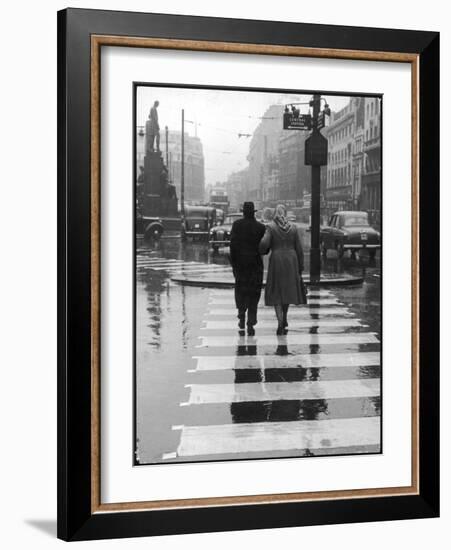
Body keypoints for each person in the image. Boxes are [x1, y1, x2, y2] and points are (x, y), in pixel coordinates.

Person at [259, 204, 307, 335]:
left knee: (277, 291)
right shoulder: (293, 228)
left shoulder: (271, 227)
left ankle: (280, 321)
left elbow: (264, 244)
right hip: (292, 260)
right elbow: (299, 249)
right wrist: (300, 267)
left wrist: (261, 250)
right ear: (285, 214)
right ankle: (285, 317)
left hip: (277, 260)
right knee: (287, 290)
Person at [229, 202, 266, 336]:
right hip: (255, 264)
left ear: (243, 212)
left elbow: (232, 246)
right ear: (254, 212)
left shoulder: (237, 225)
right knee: (254, 292)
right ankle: (251, 319)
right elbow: (265, 248)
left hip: (240, 264)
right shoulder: (261, 227)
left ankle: (241, 314)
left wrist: (233, 264)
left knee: (241, 290)